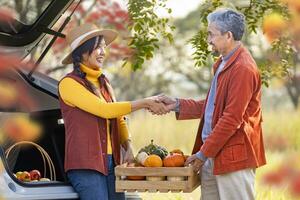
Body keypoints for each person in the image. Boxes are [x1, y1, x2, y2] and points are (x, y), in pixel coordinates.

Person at [157, 8, 266, 200]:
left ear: (228, 35)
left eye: (211, 34)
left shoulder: (243, 68)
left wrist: (202, 154)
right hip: (212, 155)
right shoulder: (222, 64)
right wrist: (176, 104)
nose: (208, 40)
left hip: (233, 159)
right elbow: (212, 107)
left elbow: (231, 119)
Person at [58, 23, 169, 200]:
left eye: (104, 47)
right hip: (86, 167)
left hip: (112, 162)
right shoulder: (68, 84)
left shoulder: (104, 82)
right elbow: (104, 110)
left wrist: (128, 146)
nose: (103, 52)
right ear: (81, 52)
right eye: (97, 47)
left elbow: (119, 118)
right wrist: (145, 102)